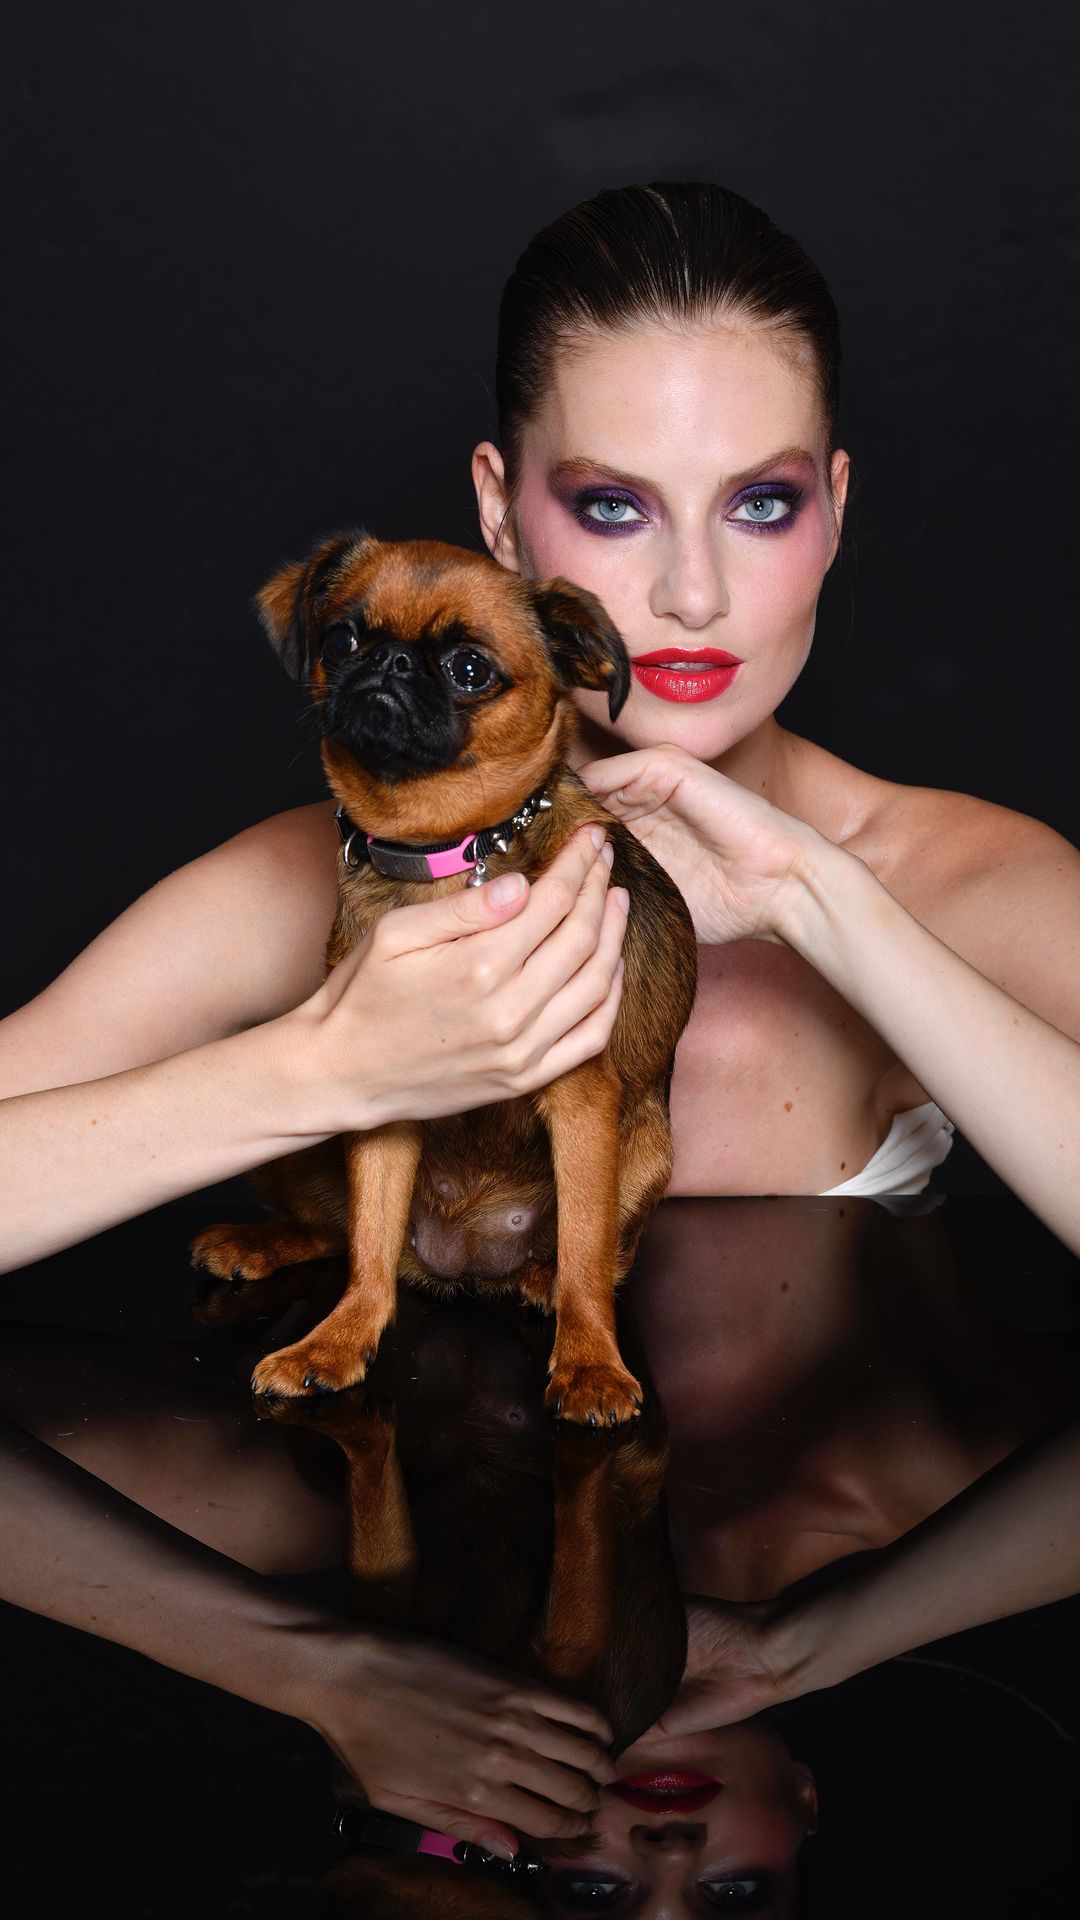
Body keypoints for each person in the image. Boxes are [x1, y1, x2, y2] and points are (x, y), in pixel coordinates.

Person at [2, 177, 1080, 1846]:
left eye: (763, 503)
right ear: (504, 522)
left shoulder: (948, 882)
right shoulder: (312, 880)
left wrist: (825, 909)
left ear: (838, 507)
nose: (696, 597)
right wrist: (322, 1067)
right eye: (617, 507)